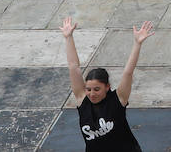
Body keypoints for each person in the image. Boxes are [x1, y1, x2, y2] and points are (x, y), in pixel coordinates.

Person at [62, 16, 153, 152]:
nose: (92, 94)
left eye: (97, 89)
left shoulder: (118, 100)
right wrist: (68, 37)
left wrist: (137, 44)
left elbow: (128, 72)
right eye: (88, 89)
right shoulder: (83, 101)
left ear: (107, 87)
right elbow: (73, 66)